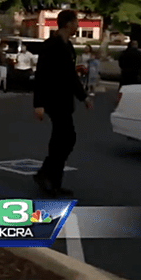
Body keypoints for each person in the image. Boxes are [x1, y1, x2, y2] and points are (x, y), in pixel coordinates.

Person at [33, 10, 93, 197]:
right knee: (65, 138)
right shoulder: (50, 46)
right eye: (76, 23)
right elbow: (40, 75)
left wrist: (83, 97)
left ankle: (51, 179)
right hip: (53, 100)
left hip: (65, 100)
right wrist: (38, 104)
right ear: (67, 24)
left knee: (63, 140)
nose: (78, 26)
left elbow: (71, 75)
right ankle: (46, 176)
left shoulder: (69, 47)